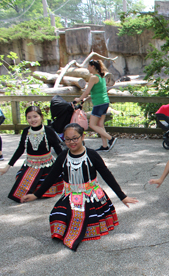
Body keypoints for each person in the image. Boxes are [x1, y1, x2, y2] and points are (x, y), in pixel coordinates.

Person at [21, 123, 138, 251]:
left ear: (83, 137)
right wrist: (36, 195)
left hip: (91, 197)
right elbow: (51, 177)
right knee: (56, 216)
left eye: (75, 138)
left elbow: (107, 176)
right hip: (70, 196)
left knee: (81, 219)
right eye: (68, 139)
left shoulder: (92, 155)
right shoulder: (63, 156)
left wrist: (123, 197)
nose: (72, 142)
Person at [0, 106, 63, 203]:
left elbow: (58, 150)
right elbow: (20, 149)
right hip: (31, 165)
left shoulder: (49, 131)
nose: (32, 120)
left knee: (47, 181)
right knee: (20, 179)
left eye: (35, 116)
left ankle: (38, 193)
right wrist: (7, 167)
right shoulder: (26, 131)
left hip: (47, 165)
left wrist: (67, 166)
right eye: (29, 117)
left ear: (41, 117)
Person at [74, 59, 117, 152]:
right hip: (105, 102)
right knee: (100, 124)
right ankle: (105, 146)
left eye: (88, 66)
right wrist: (86, 99)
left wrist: (79, 99)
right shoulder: (101, 77)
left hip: (99, 104)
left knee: (92, 125)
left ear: (92, 67)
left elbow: (86, 91)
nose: (87, 68)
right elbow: (97, 92)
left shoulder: (93, 77)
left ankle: (111, 138)